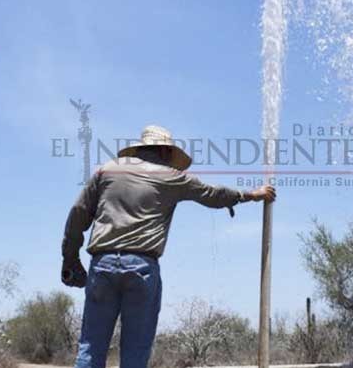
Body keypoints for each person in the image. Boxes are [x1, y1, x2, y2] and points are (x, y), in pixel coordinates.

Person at [61, 125, 276, 368]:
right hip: (142, 267)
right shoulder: (171, 177)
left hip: (103, 265)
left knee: (91, 347)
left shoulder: (107, 170)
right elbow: (212, 194)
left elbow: (78, 213)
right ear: (165, 151)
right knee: (135, 351)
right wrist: (250, 195)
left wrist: (70, 259)